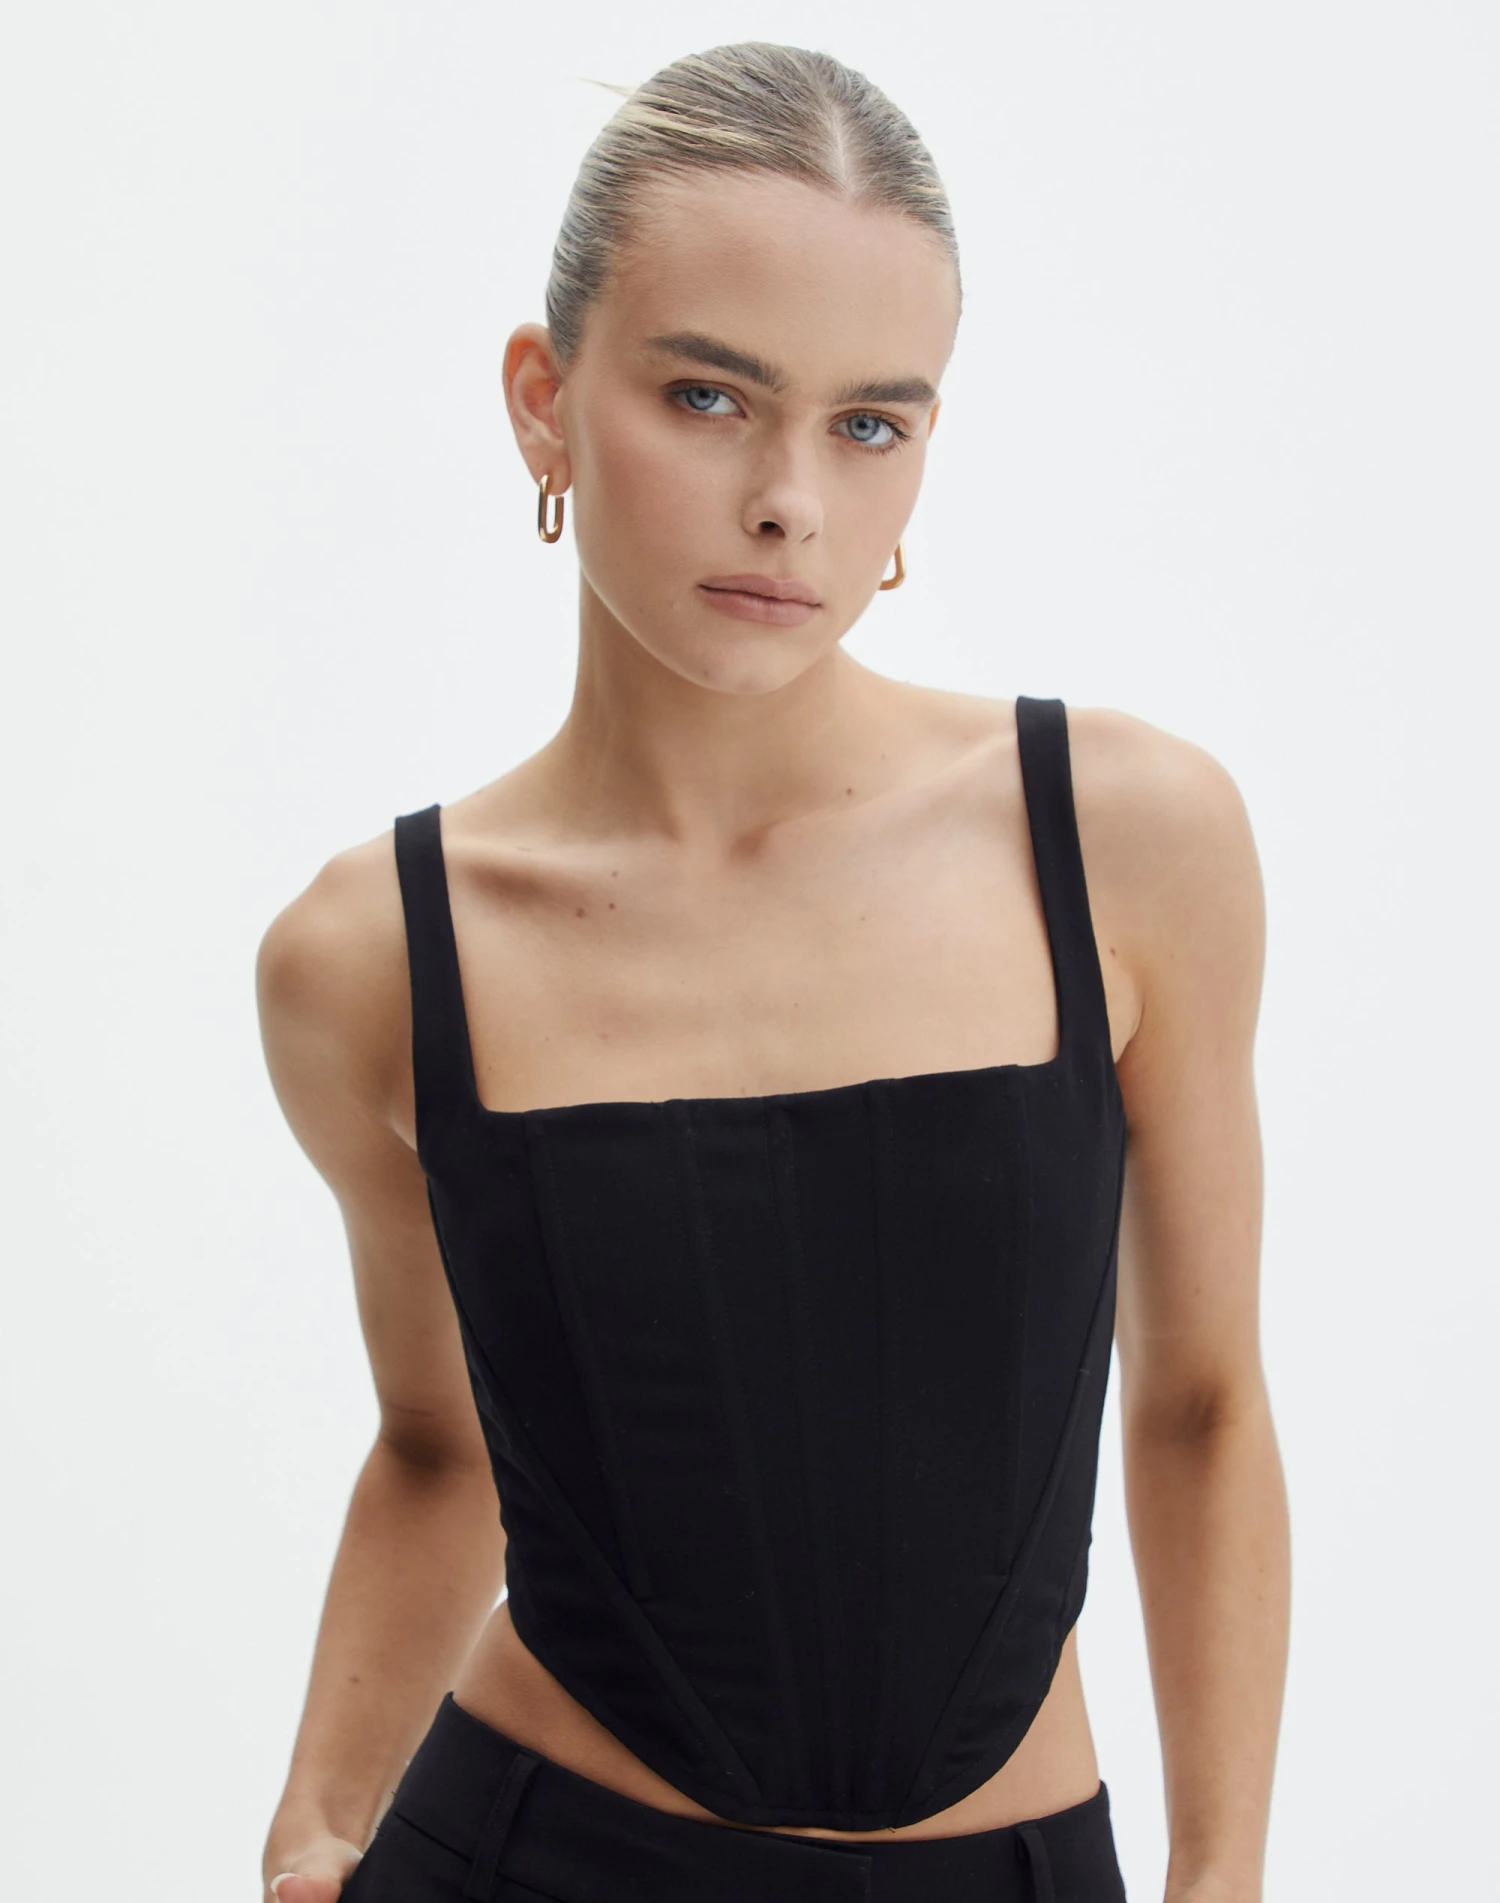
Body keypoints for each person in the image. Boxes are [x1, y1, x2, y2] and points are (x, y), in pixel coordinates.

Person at [255, 41, 1288, 1903]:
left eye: (869, 424)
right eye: (709, 396)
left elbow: (1202, 1401)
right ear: (545, 402)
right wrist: (317, 1813)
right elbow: (435, 1442)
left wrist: (1225, 1877)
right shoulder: (374, 955)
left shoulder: (1122, 839)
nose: (791, 499)